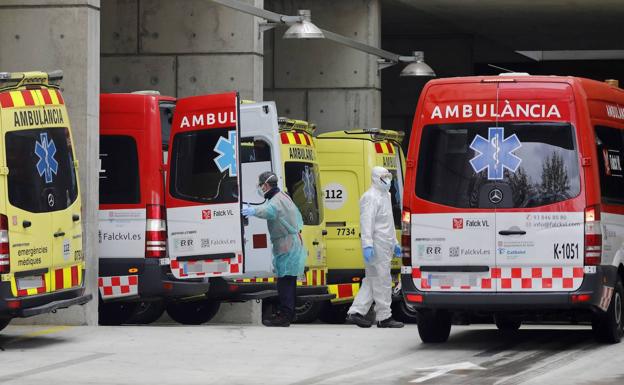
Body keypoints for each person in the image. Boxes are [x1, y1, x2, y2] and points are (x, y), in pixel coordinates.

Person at [241, 171, 306, 327]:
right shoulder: (282, 196)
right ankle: (288, 313)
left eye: (261, 185)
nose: (260, 188)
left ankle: (284, 316)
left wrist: (253, 211)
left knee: (285, 282)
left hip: (287, 244)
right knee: (288, 281)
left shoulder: (277, 201)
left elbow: (269, 211)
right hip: (290, 242)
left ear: (266, 185)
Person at [346, 166, 404, 328]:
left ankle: (356, 312)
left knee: (372, 280)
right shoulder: (370, 197)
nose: (388, 180)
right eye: (384, 176)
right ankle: (384, 316)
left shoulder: (386, 195)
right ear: (375, 178)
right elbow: (367, 223)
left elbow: (389, 222)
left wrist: (395, 243)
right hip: (376, 244)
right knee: (383, 280)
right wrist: (367, 245)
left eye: (389, 176)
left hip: (385, 244)